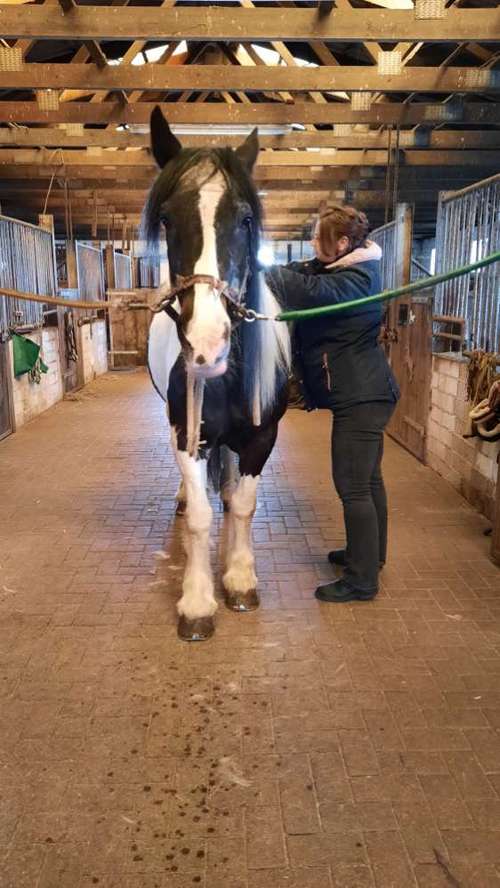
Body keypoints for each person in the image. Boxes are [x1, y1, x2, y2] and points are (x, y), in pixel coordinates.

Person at [265, 204, 400, 603]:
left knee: (353, 486)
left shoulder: (356, 279)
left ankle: (361, 581)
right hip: (367, 393)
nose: (311, 242)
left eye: (318, 237)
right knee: (369, 480)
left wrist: (264, 273)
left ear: (342, 243)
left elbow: (311, 292)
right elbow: (307, 273)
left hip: (362, 397)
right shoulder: (342, 267)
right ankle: (369, 555)